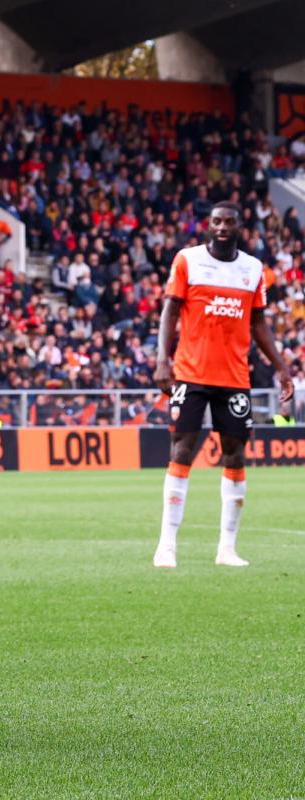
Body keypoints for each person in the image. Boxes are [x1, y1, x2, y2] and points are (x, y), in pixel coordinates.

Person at [152, 202, 294, 569]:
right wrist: (161, 359)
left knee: (235, 453)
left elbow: (258, 323)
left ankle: (226, 549)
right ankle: (166, 545)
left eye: (229, 221)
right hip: (190, 373)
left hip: (233, 378)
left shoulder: (252, 269)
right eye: (216, 221)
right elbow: (169, 309)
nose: (222, 227)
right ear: (209, 226)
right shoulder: (187, 260)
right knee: (181, 449)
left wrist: (281, 367)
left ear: (239, 225)